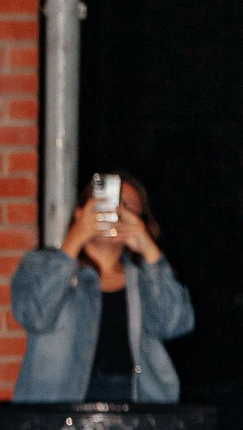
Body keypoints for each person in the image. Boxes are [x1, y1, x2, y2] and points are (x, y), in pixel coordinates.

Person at [10, 173, 193, 404]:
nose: (116, 212)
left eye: (127, 207)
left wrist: (150, 251)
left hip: (137, 410)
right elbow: (34, 316)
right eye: (108, 202)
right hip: (59, 410)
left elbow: (174, 324)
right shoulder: (42, 265)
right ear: (81, 213)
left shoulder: (145, 278)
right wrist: (74, 240)